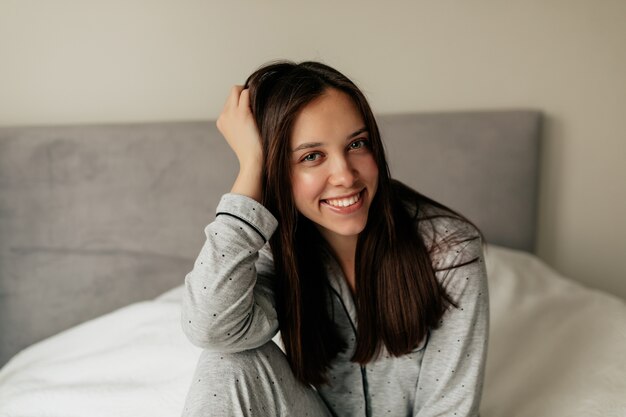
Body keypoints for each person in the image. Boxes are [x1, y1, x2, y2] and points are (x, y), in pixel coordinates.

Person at [180, 60, 489, 417]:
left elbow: (450, 409)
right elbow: (210, 327)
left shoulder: (449, 249)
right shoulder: (274, 248)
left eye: (357, 144)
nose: (344, 175)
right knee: (227, 362)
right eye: (312, 156)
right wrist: (251, 166)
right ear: (274, 169)